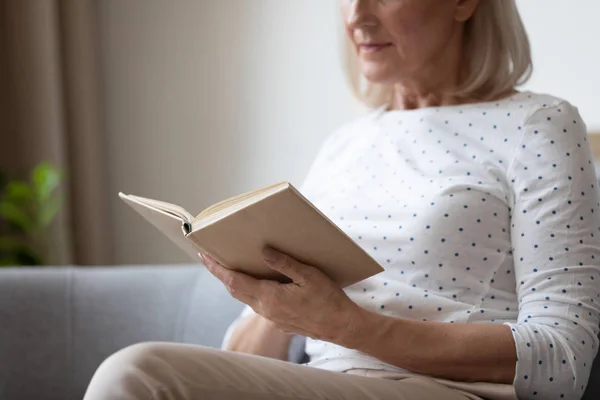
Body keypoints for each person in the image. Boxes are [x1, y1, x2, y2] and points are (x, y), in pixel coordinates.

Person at [84, 0, 600, 399]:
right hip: (325, 383)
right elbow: (251, 354)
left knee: (137, 375)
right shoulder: (347, 143)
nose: (356, 16)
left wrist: (345, 325)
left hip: (445, 391)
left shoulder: (538, 126)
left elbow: (562, 359)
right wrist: (273, 298)